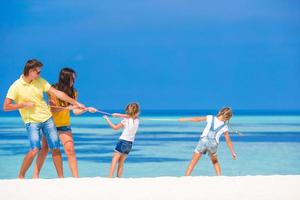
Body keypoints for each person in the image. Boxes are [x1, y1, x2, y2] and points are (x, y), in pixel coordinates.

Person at [3, 59, 85, 178]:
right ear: (31, 71)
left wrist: (78, 105)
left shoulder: (40, 81)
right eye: (38, 72)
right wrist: (24, 104)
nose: (40, 74)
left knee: (59, 149)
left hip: (49, 120)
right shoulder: (16, 86)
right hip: (33, 121)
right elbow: (6, 107)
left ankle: (64, 178)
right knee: (37, 150)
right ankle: (24, 176)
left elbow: (61, 96)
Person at [33, 68, 97, 178]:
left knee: (70, 150)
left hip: (64, 125)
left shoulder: (74, 92)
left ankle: (76, 177)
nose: (73, 81)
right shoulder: (53, 90)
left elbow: (75, 111)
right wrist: (68, 107)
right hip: (50, 124)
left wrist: (86, 109)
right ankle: (35, 176)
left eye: (74, 79)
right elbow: (52, 110)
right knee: (44, 149)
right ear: (65, 78)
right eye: (72, 78)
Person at [179, 107, 237, 176]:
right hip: (213, 144)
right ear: (228, 118)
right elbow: (228, 141)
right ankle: (219, 177)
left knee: (193, 161)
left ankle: (186, 177)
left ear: (220, 112)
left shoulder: (210, 118)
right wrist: (233, 152)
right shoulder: (225, 126)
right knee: (215, 162)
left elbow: (197, 119)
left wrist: (185, 119)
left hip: (203, 141)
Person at [103, 103, 140, 178]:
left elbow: (115, 127)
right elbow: (131, 116)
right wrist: (118, 115)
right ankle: (119, 177)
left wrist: (107, 119)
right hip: (130, 144)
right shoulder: (137, 120)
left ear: (127, 110)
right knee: (121, 162)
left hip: (123, 141)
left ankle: (110, 177)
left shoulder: (125, 120)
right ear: (137, 112)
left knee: (114, 160)